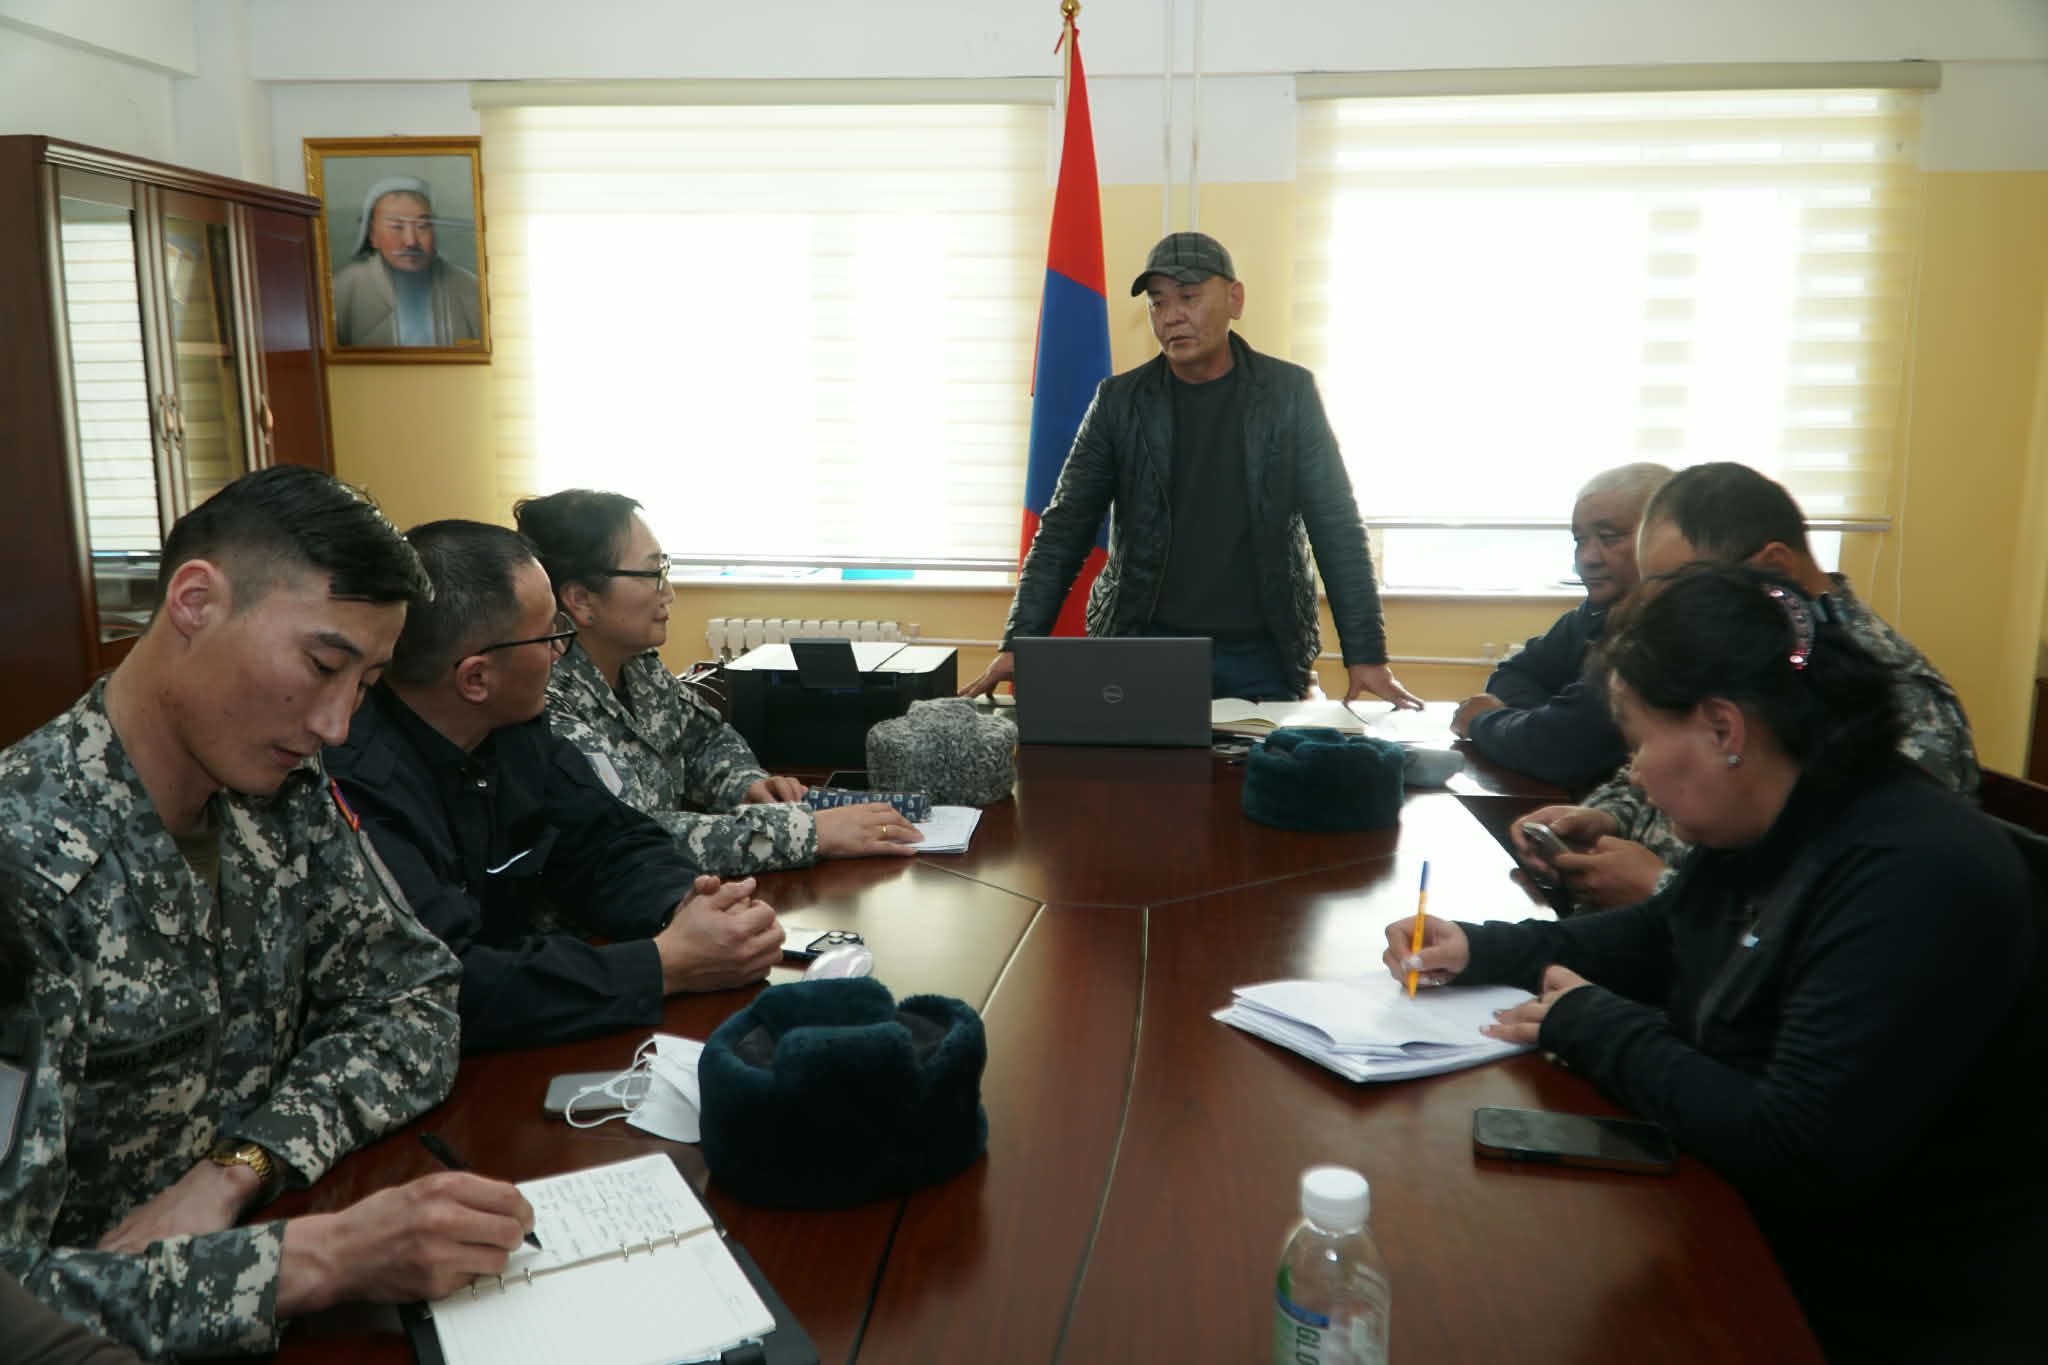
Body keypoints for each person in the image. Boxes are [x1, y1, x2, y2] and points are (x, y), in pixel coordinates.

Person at [1387, 563, 2045, 1361]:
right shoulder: (1781, 809)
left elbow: (1795, 1145)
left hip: (1874, 1309)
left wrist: (1593, 1023)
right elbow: (1661, 935)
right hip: (1755, 1227)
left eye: (1640, 742)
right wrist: (1482, 945)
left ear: (1723, 730)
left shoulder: (1914, 871)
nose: (1634, 773)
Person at [0, 467, 534, 1359]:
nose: (337, 724)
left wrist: (241, 1166)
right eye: (322, 665)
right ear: (195, 602)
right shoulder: (21, 868)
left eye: (365, 682)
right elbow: (12, 1295)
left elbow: (415, 1002)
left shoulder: (281, 792)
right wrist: (313, 1260)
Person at [324, 520, 785, 1053]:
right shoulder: (356, 787)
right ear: (476, 678)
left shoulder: (515, 728)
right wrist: (664, 965)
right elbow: (445, 983)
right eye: (549, 636)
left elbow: (610, 843)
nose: (562, 651)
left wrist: (685, 903)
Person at [961, 231, 1419, 707]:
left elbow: (1335, 525)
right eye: (1157, 302)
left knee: (1257, 759)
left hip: (1262, 654)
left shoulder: (1289, 395)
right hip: (1142, 646)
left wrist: (1366, 655)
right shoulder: (1120, 402)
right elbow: (1064, 530)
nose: (1171, 316)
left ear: (1235, 299)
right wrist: (1019, 642)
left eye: (1189, 297)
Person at [1513, 462, 1978, 909]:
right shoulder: (1742, 648)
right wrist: (1605, 817)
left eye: (1689, 589)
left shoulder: (1892, 696)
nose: (1668, 613)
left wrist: (1660, 890)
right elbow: (1663, 760)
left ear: (1776, 569)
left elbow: (1868, 900)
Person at [513, 489, 920, 874]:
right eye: (652, 573)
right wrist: (809, 832)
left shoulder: (637, 666)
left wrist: (747, 784)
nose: (669, 593)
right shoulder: (542, 698)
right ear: (581, 599)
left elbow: (706, 742)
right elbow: (631, 836)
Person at [1449, 462, 1669, 788]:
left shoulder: (1665, 632)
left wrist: (1485, 720)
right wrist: (1547, 723)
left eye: (1609, 537)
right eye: (1580, 540)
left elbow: (1562, 751)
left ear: (1665, 537)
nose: (1586, 559)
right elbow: (1513, 674)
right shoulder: (1590, 616)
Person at [331, 176, 484, 348]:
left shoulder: (470, 288)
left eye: (422, 226)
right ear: (373, 234)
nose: (411, 241)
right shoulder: (343, 290)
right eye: (397, 227)